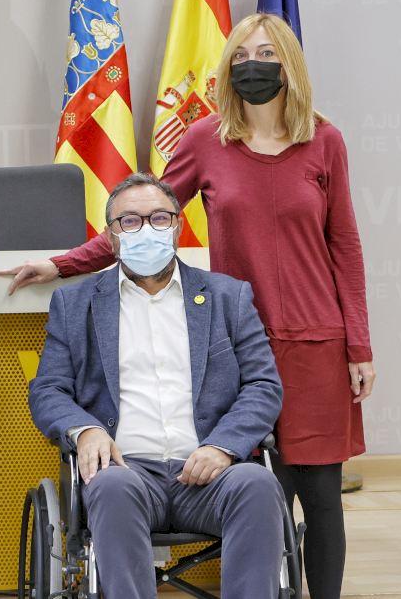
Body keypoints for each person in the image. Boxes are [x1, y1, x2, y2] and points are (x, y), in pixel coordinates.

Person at [3, 13, 371, 599]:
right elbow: (143, 216)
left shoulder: (325, 141)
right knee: (258, 484)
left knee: (320, 496)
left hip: (314, 340)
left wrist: (359, 345)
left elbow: (344, 244)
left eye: (267, 54)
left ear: (290, 65)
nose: (253, 65)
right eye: (241, 54)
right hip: (230, 338)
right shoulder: (206, 140)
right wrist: (63, 264)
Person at [29, 173, 284, 597]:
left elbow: (263, 384)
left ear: (177, 226)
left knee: (257, 486)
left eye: (159, 218)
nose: (147, 230)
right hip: (127, 471)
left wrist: (223, 446)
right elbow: (48, 389)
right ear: (111, 237)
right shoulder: (75, 304)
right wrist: (86, 430)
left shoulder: (228, 297)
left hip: (209, 473)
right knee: (109, 486)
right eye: (130, 221)